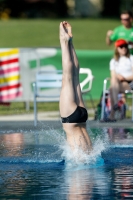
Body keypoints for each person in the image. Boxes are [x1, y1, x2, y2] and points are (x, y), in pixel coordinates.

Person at [59, 21, 92, 154]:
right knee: (70, 78)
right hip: (75, 119)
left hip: (81, 117)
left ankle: (67, 41)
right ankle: (66, 41)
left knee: (72, 78)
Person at [108, 39, 133, 121]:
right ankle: (116, 104)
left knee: (112, 88)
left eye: (125, 46)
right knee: (113, 84)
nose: (124, 48)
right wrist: (118, 77)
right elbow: (113, 75)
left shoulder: (131, 58)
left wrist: (124, 78)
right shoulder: (113, 61)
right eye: (121, 47)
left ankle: (113, 113)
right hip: (118, 84)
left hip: (129, 83)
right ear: (117, 49)